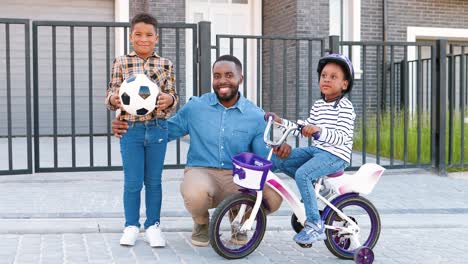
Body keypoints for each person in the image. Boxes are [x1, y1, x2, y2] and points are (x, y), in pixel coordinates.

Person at [112, 55, 289, 247]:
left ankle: (240, 218)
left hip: (238, 176)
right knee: (195, 192)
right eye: (217, 75)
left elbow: (264, 157)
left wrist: (281, 150)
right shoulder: (196, 107)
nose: (222, 81)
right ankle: (202, 222)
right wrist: (130, 127)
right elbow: (165, 131)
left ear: (241, 79)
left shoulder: (255, 115)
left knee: (273, 195)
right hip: (202, 171)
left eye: (229, 75)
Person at [105, 13, 178, 248]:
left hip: (157, 128)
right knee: (133, 182)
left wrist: (169, 99)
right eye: (138, 34)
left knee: (154, 181)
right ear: (130, 36)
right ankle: (131, 226)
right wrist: (114, 99)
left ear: (156, 38)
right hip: (131, 130)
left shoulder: (165, 64)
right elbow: (110, 94)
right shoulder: (121, 62)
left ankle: (153, 226)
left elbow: (173, 95)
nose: (143, 39)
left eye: (149, 35)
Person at [267, 53, 356, 245]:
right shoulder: (318, 105)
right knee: (278, 160)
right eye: (324, 75)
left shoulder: (345, 107)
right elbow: (303, 128)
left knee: (303, 174)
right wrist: (280, 122)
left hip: (336, 155)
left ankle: (315, 224)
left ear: (344, 85)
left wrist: (319, 131)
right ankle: (320, 187)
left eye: (334, 77)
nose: (327, 79)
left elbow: (342, 136)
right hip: (318, 152)